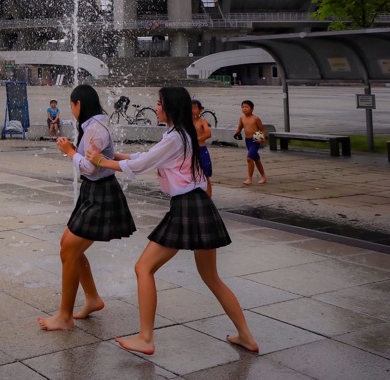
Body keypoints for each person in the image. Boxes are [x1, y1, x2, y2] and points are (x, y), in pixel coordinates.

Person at [84, 86, 258, 355]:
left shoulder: (176, 137)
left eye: (158, 103)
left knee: (144, 268)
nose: (155, 107)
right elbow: (148, 158)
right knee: (211, 276)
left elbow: (142, 166)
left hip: (187, 207)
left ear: (169, 107)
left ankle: (145, 338)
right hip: (199, 205)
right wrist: (115, 156)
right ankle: (246, 335)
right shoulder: (180, 134)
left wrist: (101, 161)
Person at [38, 84, 136, 331]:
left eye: (71, 106)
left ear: (79, 105)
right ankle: (92, 298)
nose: (71, 111)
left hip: (101, 192)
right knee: (67, 246)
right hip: (93, 191)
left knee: (70, 250)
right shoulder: (93, 126)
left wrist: (70, 151)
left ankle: (65, 317)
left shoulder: (94, 129)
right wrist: (71, 151)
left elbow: (92, 167)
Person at [233, 100, 268, 185]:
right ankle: (263, 177)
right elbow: (240, 128)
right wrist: (236, 133)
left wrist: (262, 138)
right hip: (247, 140)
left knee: (249, 158)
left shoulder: (255, 118)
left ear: (252, 109)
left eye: (246, 107)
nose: (244, 109)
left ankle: (249, 178)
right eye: (243, 107)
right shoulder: (242, 118)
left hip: (255, 140)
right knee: (256, 159)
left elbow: (262, 130)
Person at [192, 99, 213, 197]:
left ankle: (209, 198)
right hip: (191, 151)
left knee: (206, 174)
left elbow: (208, 133)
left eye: (194, 108)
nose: (192, 110)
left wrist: (197, 139)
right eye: (190, 108)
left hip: (201, 149)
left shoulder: (202, 122)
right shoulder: (186, 122)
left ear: (200, 110)